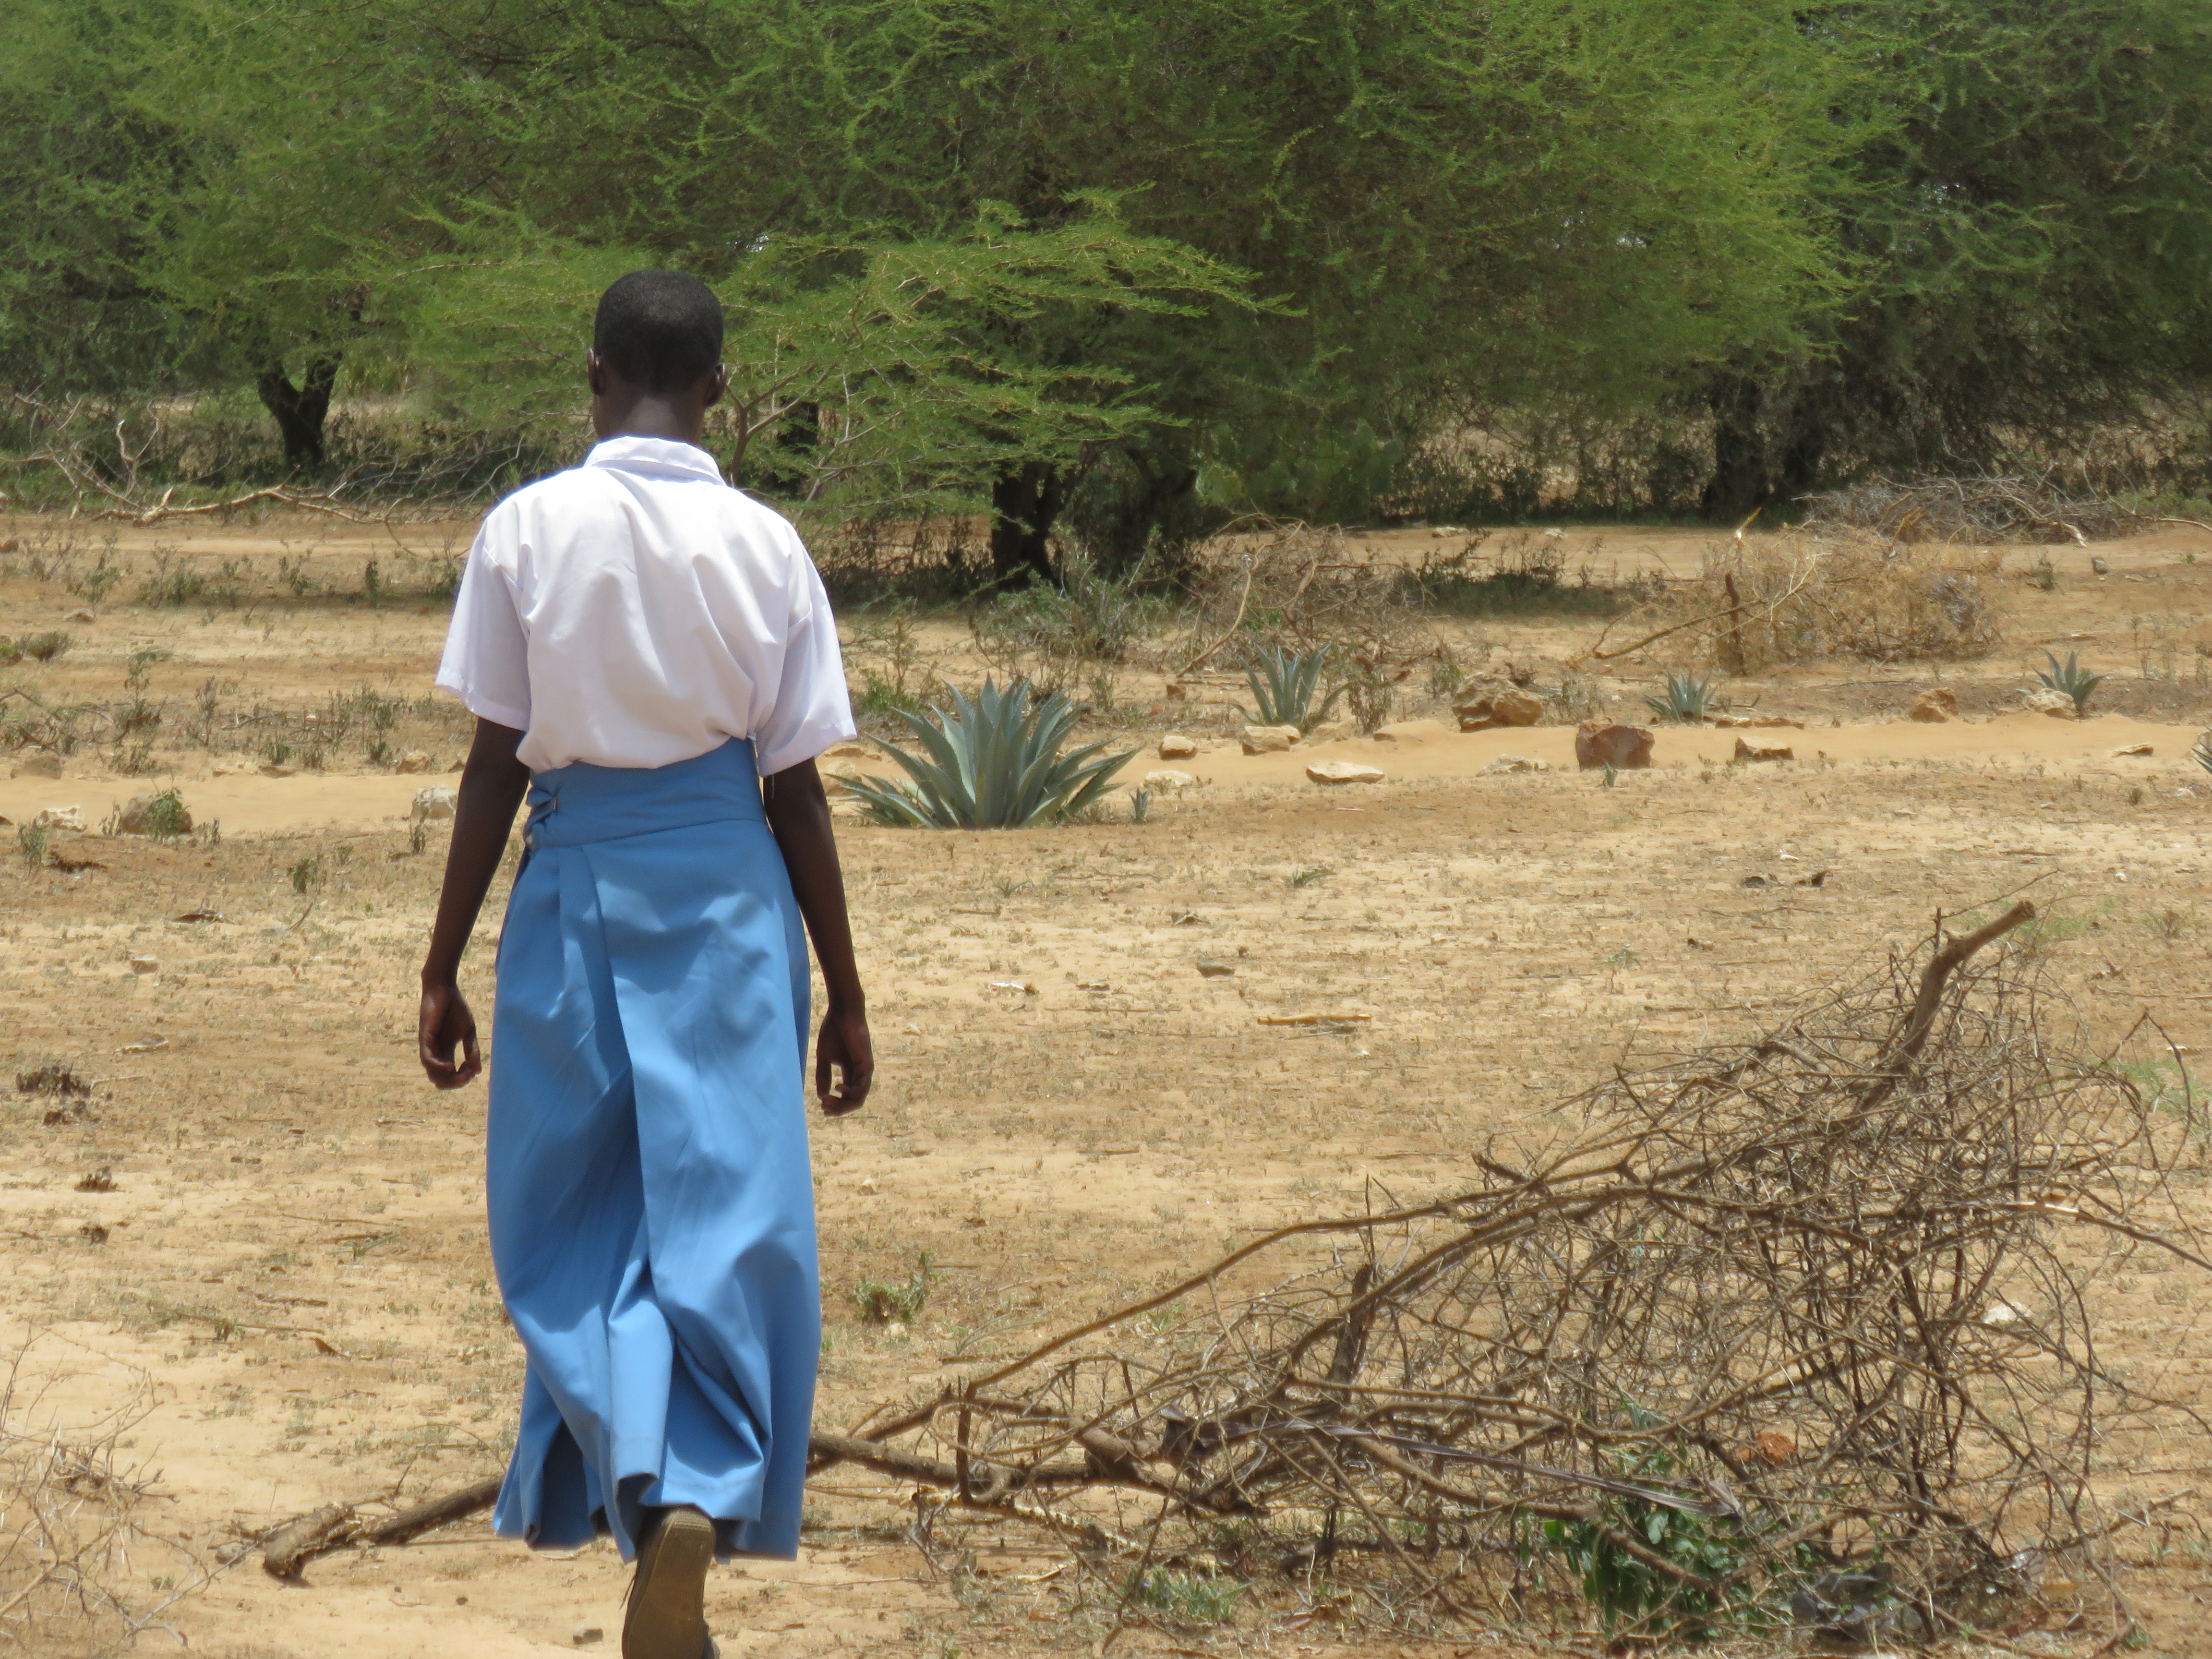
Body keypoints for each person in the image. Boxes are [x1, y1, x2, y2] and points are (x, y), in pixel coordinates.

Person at [415, 267, 873, 1659]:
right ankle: (703, 1487)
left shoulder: (525, 531)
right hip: (735, 898)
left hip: (573, 893)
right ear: (722, 392)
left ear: (593, 374)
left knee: (576, 1225)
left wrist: (441, 963)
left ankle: (641, 1476)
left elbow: (494, 759)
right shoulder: (769, 545)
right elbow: (797, 790)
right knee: (731, 1211)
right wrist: (847, 990)